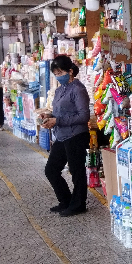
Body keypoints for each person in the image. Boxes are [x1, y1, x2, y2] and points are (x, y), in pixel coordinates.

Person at [42, 55, 90, 217]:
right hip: (62, 135)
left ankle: (78, 204)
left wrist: (58, 121)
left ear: (70, 71)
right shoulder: (59, 90)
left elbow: (84, 116)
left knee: (77, 172)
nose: (58, 75)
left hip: (76, 135)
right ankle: (66, 200)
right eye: (55, 72)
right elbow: (59, 112)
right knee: (51, 170)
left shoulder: (78, 89)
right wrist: (48, 115)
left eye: (60, 71)